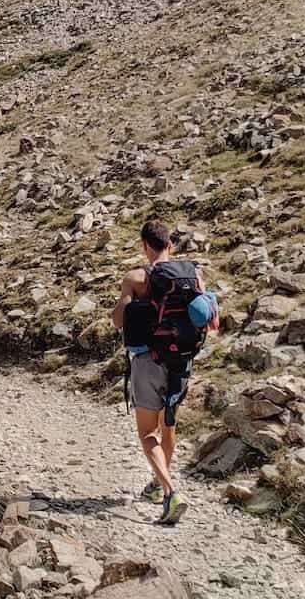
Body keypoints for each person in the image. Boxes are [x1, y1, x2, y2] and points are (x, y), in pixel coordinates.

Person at [112, 219, 209, 526]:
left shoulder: (136, 277)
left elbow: (118, 321)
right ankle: (157, 484)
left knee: (146, 433)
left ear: (144, 245)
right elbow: (205, 315)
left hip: (148, 361)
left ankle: (170, 492)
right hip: (182, 361)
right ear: (170, 245)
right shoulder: (194, 273)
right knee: (168, 426)